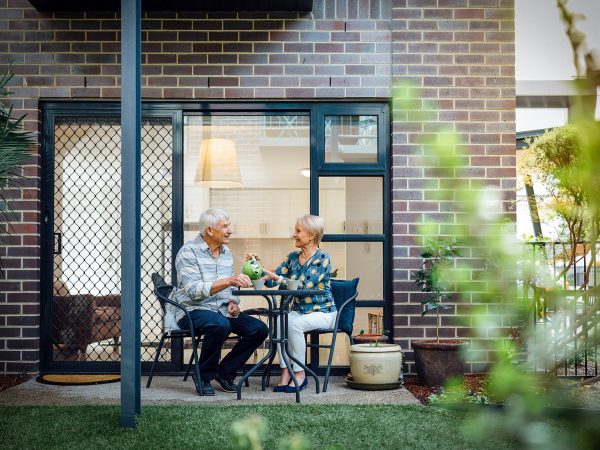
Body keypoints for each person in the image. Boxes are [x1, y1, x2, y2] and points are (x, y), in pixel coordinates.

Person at [171, 208, 268, 396]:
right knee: (219, 324)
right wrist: (229, 280)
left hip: (222, 309)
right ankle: (203, 375)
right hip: (193, 310)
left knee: (259, 329)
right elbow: (193, 291)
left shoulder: (226, 253)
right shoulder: (188, 252)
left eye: (229, 225)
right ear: (209, 230)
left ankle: (225, 372)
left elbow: (229, 288)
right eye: (225, 226)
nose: (230, 230)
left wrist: (232, 300)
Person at [260, 214, 336, 393]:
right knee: (280, 322)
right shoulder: (292, 257)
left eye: (298, 231)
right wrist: (259, 270)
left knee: (295, 325)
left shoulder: (322, 258)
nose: (294, 234)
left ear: (311, 235)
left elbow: (302, 286)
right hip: (300, 311)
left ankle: (300, 374)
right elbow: (272, 282)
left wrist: (278, 278)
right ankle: (286, 371)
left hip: (324, 313)